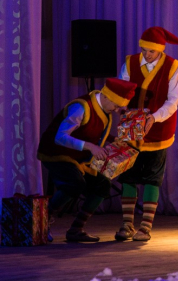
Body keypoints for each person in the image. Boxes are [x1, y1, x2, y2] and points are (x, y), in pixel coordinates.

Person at [37, 77, 137, 242]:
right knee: (75, 183)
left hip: (80, 158)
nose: (117, 110)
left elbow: (94, 132)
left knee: (103, 185)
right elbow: (60, 137)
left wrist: (114, 140)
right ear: (106, 96)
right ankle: (42, 219)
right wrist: (90, 147)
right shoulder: (81, 107)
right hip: (57, 153)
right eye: (116, 105)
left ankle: (76, 229)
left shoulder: (105, 110)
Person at [114, 26, 178, 242]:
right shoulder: (130, 62)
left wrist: (154, 117)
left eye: (151, 51)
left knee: (153, 177)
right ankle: (127, 224)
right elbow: (122, 88)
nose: (146, 54)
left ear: (160, 50)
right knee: (128, 175)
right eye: (144, 50)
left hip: (158, 128)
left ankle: (145, 226)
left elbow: (172, 101)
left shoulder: (172, 66)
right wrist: (120, 104)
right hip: (132, 127)